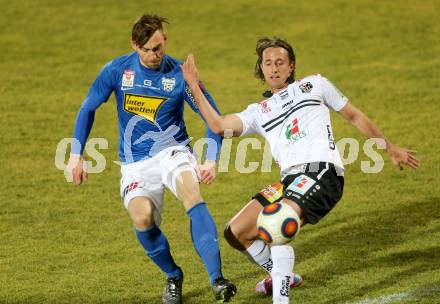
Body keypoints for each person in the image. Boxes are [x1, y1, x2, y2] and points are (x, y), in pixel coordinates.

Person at [181, 37, 419, 303]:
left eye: (280, 62)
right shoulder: (258, 111)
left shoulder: (315, 84)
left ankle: (280, 299)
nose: (274, 68)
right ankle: (282, 275)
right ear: (261, 69)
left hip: (323, 175)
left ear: (291, 66)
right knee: (235, 232)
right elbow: (218, 125)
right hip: (290, 182)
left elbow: (355, 116)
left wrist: (390, 148)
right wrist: (194, 87)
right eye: (268, 63)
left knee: (276, 223)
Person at [67, 14, 237, 304]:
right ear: (134, 45)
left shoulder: (180, 75)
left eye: (158, 47)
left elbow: (214, 119)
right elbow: (88, 107)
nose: (153, 55)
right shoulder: (117, 70)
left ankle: (217, 280)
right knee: (142, 217)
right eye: (146, 49)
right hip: (135, 163)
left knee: (191, 193)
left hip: (174, 151)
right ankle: (173, 275)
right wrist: (75, 153)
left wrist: (210, 159)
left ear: (165, 40)